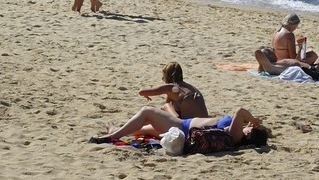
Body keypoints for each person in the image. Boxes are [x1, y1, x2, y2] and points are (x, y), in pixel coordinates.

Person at [88, 105, 269, 149]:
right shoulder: (237, 134)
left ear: (250, 133)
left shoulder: (237, 135)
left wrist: (254, 119)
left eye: (251, 128)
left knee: (147, 112)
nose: (249, 125)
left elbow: (240, 111)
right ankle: (116, 131)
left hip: (182, 128)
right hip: (183, 128)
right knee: (148, 128)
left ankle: (112, 137)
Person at [138, 62, 208, 119]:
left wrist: (145, 94)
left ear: (167, 76)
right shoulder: (190, 87)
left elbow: (141, 92)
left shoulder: (171, 87)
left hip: (189, 126)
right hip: (205, 124)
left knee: (166, 106)